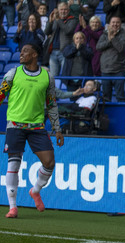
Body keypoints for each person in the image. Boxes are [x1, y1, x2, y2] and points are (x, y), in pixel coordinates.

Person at [0, 43, 64, 218]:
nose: (21, 54)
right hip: (15, 125)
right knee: (13, 163)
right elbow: (0, 95)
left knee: (50, 162)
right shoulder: (13, 73)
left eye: (25, 51)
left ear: (35, 54)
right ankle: (13, 207)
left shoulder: (47, 76)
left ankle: (35, 191)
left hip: (37, 127)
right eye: (21, 51)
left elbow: (51, 104)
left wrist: (57, 129)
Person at [97, 16, 125, 102]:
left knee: (120, 96)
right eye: (113, 22)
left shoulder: (124, 35)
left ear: (120, 24)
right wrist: (109, 39)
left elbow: (120, 48)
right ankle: (105, 115)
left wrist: (112, 38)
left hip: (118, 71)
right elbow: (98, 47)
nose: (115, 24)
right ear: (109, 24)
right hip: (105, 70)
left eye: (117, 22)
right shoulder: (104, 34)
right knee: (105, 97)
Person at [44, 2, 78, 77]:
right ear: (58, 10)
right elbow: (46, 32)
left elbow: (67, 31)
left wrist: (58, 20)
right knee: (53, 77)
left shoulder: (73, 20)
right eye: (61, 9)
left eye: (65, 9)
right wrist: (50, 22)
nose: (63, 11)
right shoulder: (55, 19)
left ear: (68, 11)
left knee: (66, 76)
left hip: (65, 52)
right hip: (53, 52)